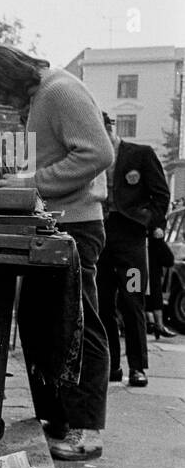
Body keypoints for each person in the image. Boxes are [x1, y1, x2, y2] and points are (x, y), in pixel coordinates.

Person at [0, 45, 114, 461]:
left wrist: (29, 185)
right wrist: (23, 180)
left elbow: (98, 153)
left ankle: (87, 429)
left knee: (76, 325)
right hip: (53, 222)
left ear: (8, 78)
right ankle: (57, 417)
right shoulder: (39, 96)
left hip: (76, 225)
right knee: (37, 322)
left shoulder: (60, 90)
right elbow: (56, 157)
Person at [95, 112, 170, 387]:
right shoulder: (91, 157)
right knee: (103, 302)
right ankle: (112, 365)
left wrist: (148, 221)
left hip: (131, 241)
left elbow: (161, 194)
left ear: (109, 129)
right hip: (101, 237)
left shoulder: (140, 154)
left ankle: (138, 367)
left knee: (132, 299)